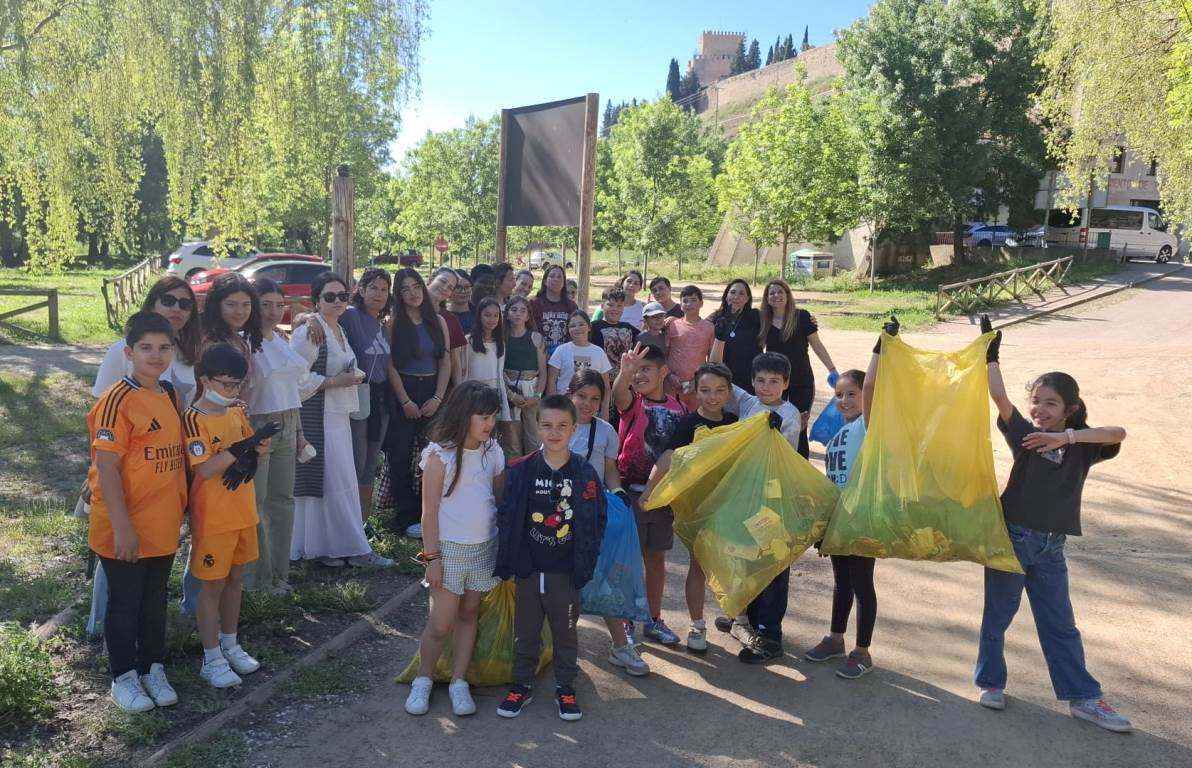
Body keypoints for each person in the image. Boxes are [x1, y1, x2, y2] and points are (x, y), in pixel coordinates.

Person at [976, 319, 1132, 733]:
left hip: (1051, 548)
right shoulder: (1025, 436)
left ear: (1070, 409)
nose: (1039, 410)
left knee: (1060, 624)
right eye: (1036, 401)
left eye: (1050, 403)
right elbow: (999, 396)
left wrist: (1067, 438)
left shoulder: (1082, 446)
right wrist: (990, 354)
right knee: (998, 617)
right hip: (1012, 541)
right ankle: (990, 683)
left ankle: (1084, 698)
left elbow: (1119, 432)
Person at [88, 276, 201, 637]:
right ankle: (106, 634)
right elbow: (103, 416)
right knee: (121, 575)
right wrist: (95, 472)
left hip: (163, 486)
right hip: (123, 476)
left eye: (185, 303)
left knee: (151, 589)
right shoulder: (121, 351)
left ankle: (150, 655)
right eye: (169, 300)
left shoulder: (186, 353)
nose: (176, 308)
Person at [87, 311, 188, 712]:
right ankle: (123, 677)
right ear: (128, 353)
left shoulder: (170, 394)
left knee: (154, 599)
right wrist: (123, 527)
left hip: (162, 521)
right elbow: (107, 468)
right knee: (125, 602)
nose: (156, 355)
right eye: (146, 348)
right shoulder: (116, 400)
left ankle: (152, 668)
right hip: (124, 524)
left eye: (164, 347)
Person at [494, 395, 607, 721]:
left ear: (573, 429)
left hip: (566, 573)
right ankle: (521, 686)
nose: (554, 432)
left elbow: (597, 519)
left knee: (565, 634)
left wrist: (584, 561)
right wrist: (514, 561)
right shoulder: (522, 470)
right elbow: (508, 516)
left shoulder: (584, 472)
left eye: (561, 426)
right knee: (525, 633)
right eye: (547, 425)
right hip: (529, 571)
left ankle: (565, 688)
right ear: (537, 426)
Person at [404, 383, 506, 718]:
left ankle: (459, 681)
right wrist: (431, 558)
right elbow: (429, 512)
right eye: (483, 416)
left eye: (493, 416)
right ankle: (423, 679)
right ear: (464, 415)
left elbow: (498, 500)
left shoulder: (494, 452)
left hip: (484, 549)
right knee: (439, 624)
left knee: (469, 614)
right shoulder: (439, 456)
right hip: (448, 552)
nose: (489, 423)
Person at [290, 272, 393, 568]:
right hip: (320, 418)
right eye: (329, 296)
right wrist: (338, 381)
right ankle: (354, 549)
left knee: (336, 485)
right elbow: (295, 379)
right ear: (317, 300)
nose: (337, 301)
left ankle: (326, 548)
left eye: (342, 296)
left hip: (339, 416)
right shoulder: (310, 331)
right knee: (336, 484)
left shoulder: (338, 328)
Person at [184, 343, 268, 689]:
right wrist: (238, 450)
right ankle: (211, 656)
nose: (233, 391)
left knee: (235, 580)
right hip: (214, 518)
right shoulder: (194, 418)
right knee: (212, 586)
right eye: (227, 384)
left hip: (242, 511)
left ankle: (230, 643)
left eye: (238, 385)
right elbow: (204, 469)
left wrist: (257, 449)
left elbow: (253, 449)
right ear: (205, 380)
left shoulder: (236, 413)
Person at [639, 362, 737, 654]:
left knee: (732, 562)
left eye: (719, 390)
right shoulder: (688, 424)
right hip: (698, 507)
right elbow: (668, 457)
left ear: (729, 392)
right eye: (705, 390)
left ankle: (740, 619)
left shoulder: (735, 423)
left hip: (728, 504)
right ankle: (697, 625)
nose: (712, 396)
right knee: (698, 565)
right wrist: (649, 490)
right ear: (696, 391)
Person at [565, 370, 650, 676]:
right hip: (560, 515)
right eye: (581, 396)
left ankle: (620, 646)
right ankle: (563, 650)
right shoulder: (557, 424)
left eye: (595, 398)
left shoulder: (605, 431)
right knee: (566, 583)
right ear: (569, 395)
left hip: (594, 511)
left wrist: (617, 492)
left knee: (605, 577)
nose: (587, 404)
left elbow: (610, 469)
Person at [722, 352, 805, 662]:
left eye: (774, 381)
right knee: (744, 556)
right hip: (745, 494)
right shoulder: (748, 403)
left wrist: (772, 431)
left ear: (786, 384)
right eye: (760, 380)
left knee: (772, 561)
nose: (766, 387)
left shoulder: (789, 414)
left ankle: (770, 635)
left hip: (772, 499)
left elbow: (783, 453)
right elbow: (720, 379)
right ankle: (744, 618)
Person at [803, 368, 878, 679]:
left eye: (852, 394)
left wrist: (879, 350)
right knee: (842, 582)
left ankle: (862, 652)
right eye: (839, 395)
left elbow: (872, 385)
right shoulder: (839, 433)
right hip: (837, 519)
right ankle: (835, 639)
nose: (844, 400)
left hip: (860, 519)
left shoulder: (867, 426)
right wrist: (825, 525)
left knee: (862, 583)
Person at [612, 344, 686, 645]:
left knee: (656, 559)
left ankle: (653, 619)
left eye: (646, 369)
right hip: (632, 495)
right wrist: (624, 372)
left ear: (663, 371)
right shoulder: (633, 402)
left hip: (663, 498)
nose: (640, 375)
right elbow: (619, 393)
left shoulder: (679, 408)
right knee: (630, 561)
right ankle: (626, 621)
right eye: (637, 370)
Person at [242, 277, 309, 595]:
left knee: (282, 501)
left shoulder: (281, 338)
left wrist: (300, 432)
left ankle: (280, 574)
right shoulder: (244, 342)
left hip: (289, 422)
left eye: (278, 304)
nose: (272, 311)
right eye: (265, 304)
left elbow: (292, 390)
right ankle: (258, 579)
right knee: (256, 503)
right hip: (259, 425)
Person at [387, 269, 452, 538]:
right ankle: (406, 515)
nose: (413, 293)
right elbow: (390, 365)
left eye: (416, 286)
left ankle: (432, 512)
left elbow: (445, 362)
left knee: (433, 455)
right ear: (398, 294)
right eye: (405, 289)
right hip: (404, 390)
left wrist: (438, 397)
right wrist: (405, 400)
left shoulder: (438, 320)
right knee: (400, 456)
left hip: (433, 391)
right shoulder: (393, 324)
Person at [338, 267, 393, 535]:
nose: (379, 294)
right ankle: (347, 523)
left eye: (384, 289)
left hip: (381, 398)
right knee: (356, 461)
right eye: (373, 288)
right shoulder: (350, 316)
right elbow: (318, 318)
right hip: (358, 395)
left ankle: (363, 522)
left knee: (371, 462)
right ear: (361, 290)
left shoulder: (383, 325)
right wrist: (308, 320)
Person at [759, 279, 837, 457]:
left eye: (780, 292)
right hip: (775, 382)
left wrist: (832, 369)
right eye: (772, 293)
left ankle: (800, 467)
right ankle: (776, 462)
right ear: (767, 298)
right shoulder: (762, 320)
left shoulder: (802, 317)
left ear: (788, 295)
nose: (776, 296)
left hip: (802, 380)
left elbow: (817, 345)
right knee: (774, 424)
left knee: (799, 426)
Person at [500, 295, 546, 461]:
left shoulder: (536, 338)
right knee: (511, 440)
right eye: (514, 310)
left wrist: (537, 396)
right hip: (509, 391)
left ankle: (534, 472)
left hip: (531, 391)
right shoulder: (502, 339)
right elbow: (498, 370)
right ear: (507, 314)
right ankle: (513, 473)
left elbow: (543, 372)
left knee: (534, 438)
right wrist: (511, 395)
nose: (518, 314)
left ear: (528, 316)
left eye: (522, 310)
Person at [546, 310, 610, 420]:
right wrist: (553, 407)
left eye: (581, 324)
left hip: (590, 409)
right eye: (572, 326)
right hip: (564, 408)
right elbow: (551, 381)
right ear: (568, 329)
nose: (577, 328)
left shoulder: (599, 352)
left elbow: (606, 386)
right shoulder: (561, 351)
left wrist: (604, 409)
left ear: (589, 327)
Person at [663, 286, 715, 411]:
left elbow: (712, 360)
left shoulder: (709, 328)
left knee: (694, 418)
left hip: (697, 386)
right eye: (685, 301)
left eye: (693, 300)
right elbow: (664, 354)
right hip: (672, 384)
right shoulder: (672, 325)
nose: (689, 304)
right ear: (680, 305)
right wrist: (669, 375)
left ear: (701, 303)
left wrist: (697, 380)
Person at [462, 297, 511, 422]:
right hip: (475, 393)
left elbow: (499, 373)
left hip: (494, 393)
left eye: (496, 316)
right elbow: (464, 370)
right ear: (479, 316)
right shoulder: (469, 341)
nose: (492, 319)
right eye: (487, 315)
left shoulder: (500, 342)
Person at [709, 279, 763, 393]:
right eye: (733, 292)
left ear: (747, 299)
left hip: (750, 379)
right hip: (724, 378)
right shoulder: (716, 318)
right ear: (726, 296)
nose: (736, 297)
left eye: (741, 293)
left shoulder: (756, 317)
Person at [589, 287, 638, 389]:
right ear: (602, 306)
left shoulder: (628, 328)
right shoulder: (593, 327)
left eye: (619, 306)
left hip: (624, 383)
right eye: (610, 305)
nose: (615, 309)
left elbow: (646, 338)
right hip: (599, 382)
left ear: (623, 307)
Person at [427, 268, 467, 387]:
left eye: (450, 287)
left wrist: (458, 390)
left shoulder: (450, 320)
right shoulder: (408, 311)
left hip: (441, 388)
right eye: (443, 281)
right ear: (431, 280)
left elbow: (455, 361)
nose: (445, 288)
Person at [530, 264, 578, 357]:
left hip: (564, 355)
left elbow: (575, 332)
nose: (556, 279)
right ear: (545, 281)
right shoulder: (534, 304)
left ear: (564, 283)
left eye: (560, 277)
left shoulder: (571, 306)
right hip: (539, 355)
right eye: (552, 276)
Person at [446, 271, 474, 335]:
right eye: (458, 287)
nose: (463, 291)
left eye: (467, 287)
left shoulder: (479, 315)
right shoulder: (442, 316)